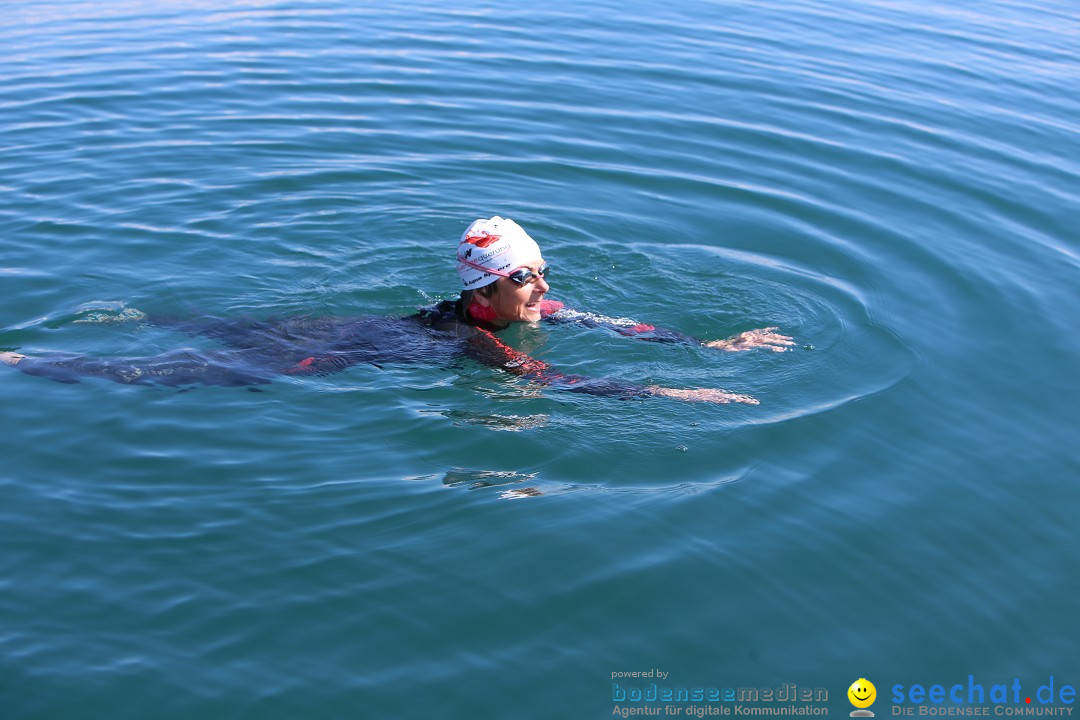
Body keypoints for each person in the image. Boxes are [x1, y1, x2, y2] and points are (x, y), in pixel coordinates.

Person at [1, 216, 792, 403]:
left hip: (335, 323)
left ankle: (134, 310)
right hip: (326, 350)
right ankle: (34, 362)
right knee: (187, 372)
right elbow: (555, 383)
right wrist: (664, 393)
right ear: (485, 292)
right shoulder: (480, 345)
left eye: (545, 273)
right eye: (527, 280)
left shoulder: (529, 309)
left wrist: (715, 346)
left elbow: (625, 327)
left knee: (205, 323)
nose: (544, 290)